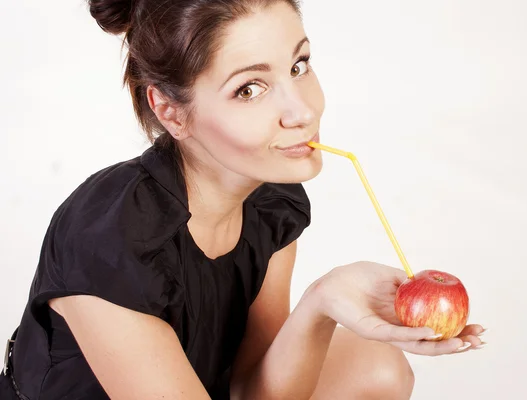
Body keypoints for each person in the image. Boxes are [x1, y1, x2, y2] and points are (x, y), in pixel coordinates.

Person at [0, 0, 485, 399]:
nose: (302, 111)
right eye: (250, 89)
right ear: (170, 111)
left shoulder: (272, 201)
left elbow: (254, 390)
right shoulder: (109, 239)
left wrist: (320, 303)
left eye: (299, 66)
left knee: (379, 367)